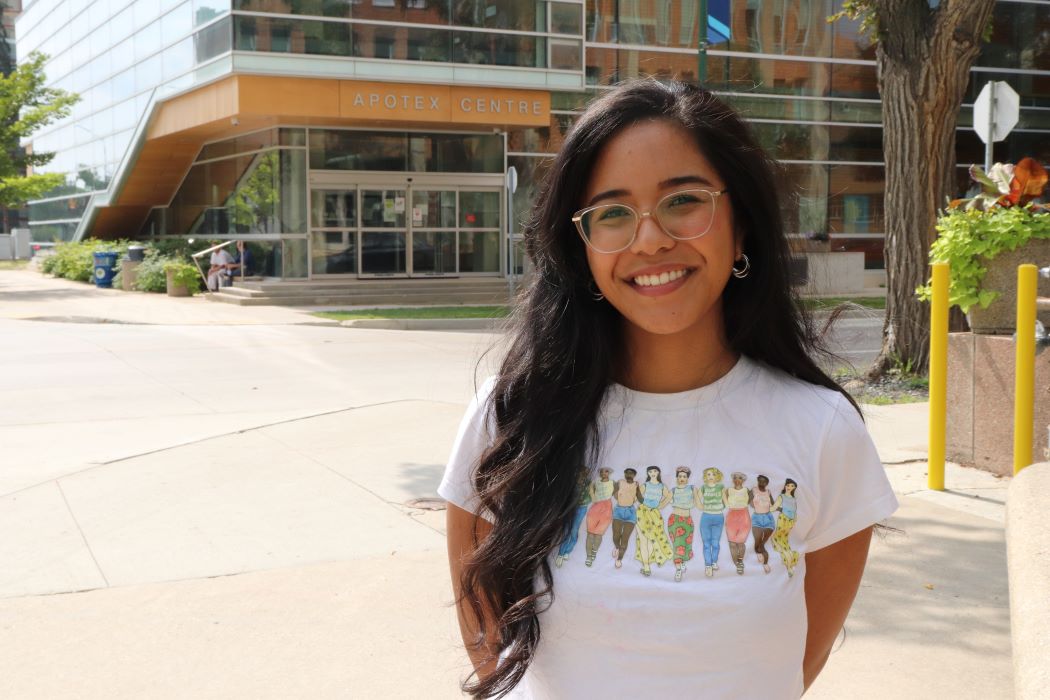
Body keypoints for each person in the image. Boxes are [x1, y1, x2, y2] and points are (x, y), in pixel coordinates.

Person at [440, 78, 897, 699]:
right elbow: (489, 644)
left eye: (683, 201)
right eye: (612, 213)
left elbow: (795, 665)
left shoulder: (821, 432)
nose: (650, 239)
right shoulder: (512, 417)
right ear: (584, 253)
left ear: (740, 229)